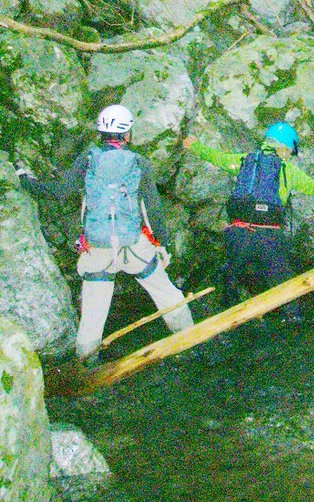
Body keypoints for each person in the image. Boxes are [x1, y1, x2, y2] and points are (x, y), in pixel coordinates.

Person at [16, 104, 194, 359]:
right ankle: (188, 345)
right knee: (168, 294)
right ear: (128, 134)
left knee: (93, 314)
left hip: (97, 248)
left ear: (101, 132)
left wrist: (24, 179)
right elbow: (152, 208)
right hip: (134, 247)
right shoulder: (139, 163)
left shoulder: (88, 159)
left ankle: (87, 367)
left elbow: (58, 192)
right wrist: (163, 244)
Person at [182, 122, 314, 321]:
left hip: (237, 235)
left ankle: (226, 322)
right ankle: (293, 321)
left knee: (231, 279)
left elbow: (216, 157)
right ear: (285, 149)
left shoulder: (244, 161)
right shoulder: (288, 170)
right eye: (289, 152)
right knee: (284, 286)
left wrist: (194, 145)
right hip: (268, 239)